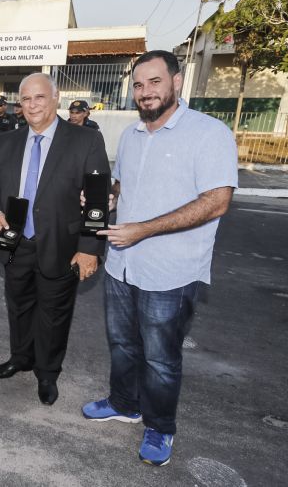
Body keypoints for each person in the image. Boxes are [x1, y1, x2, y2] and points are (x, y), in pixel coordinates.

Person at [82, 50, 238, 467]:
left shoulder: (209, 133)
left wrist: (144, 229)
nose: (145, 92)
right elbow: (124, 185)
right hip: (121, 263)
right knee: (121, 344)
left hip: (170, 271)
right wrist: (106, 198)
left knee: (160, 357)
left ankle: (160, 426)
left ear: (177, 81)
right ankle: (124, 403)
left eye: (154, 81)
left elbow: (217, 201)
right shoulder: (132, 135)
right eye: (138, 84)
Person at [0, 73, 110, 406]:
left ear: (56, 97)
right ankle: (21, 357)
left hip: (61, 245)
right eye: (25, 99)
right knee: (18, 305)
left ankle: (48, 373)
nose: (32, 105)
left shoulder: (85, 141)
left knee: (54, 313)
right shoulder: (7, 141)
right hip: (14, 241)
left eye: (39, 97)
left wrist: (89, 248)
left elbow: (96, 199)